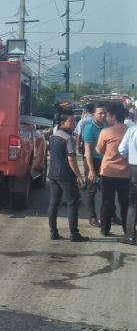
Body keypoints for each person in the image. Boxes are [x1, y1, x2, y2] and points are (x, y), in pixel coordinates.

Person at [47, 111, 88, 241]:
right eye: (71, 121)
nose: (73, 123)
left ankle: (53, 232)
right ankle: (74, 234)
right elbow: (72, 159)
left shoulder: (53, 136)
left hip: (53, 174)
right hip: (66, 175)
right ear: (62, 123)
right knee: (72, 203)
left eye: (74, 121)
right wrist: (79, 176)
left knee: (54, 203)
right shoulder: (68, 138)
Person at [96, 101, 130, 236]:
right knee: (125, 203)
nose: (106, 117)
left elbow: (99, 150)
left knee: (106, 202)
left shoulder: (106, 132)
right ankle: (128, 230)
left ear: (114, 116)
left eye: (108, 115)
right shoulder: (130, 131)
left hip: (108, 172)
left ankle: (105, 229)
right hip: (126, 174)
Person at [82, 102, 108, 226]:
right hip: (92, 160)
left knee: (106, 190)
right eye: (100, 113)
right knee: (91, 189)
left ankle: (109, 215)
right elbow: (87, 151)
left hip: (105, 161)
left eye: (105, 113)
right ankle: (92, 217)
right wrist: (91, 170)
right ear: (93, 114)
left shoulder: (107, 126)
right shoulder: (89, 128)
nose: (103, 115)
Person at [119, 116, 137, 244]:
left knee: (133, 203)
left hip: (134, 168)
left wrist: (129, 155)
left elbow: (122, 149)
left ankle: (130, 236)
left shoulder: (131, 130)